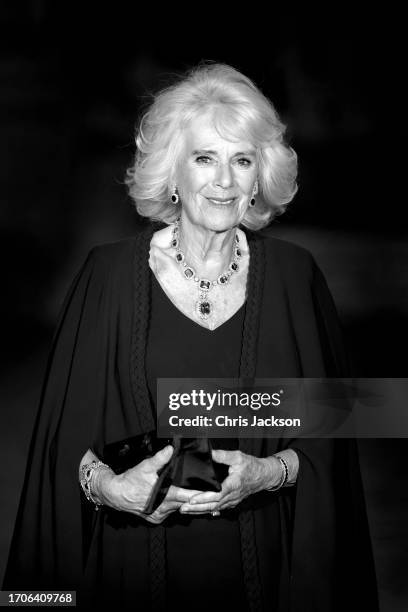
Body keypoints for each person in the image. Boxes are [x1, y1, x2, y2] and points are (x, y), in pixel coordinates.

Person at [3, 63, 378, 611]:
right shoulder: (106, 277)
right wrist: (109, 488)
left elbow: (341, 429)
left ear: (259, 178)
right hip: (128, 571)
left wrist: (267, 473)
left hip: (266, 581)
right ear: (172, 173)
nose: (224, 181)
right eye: (205, 158)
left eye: (242, 160)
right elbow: (62, 447)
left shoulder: (298, 278)